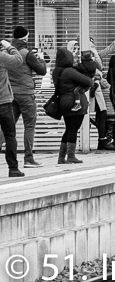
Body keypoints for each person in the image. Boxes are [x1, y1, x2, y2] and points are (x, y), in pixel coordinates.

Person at [7, 26, 47, 167]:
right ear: (25, 38)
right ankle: (28, 158)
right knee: (29, 126)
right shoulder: (27, 53)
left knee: (8, 126)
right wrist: (41, 59)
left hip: (11, 94)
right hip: (26, 94)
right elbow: (42, 71)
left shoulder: (8, 52)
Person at [52, 47, 92, 164]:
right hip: (74, 103)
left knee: (68, 129)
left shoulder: (56, 71)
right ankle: (71, 156)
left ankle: (61, 157)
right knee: (73, 129)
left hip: (63, 102)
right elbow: (88, 81)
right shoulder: (69, 71)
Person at [0, 38, 24, 177]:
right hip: (4, 102)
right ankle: (13, 168)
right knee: (10, 135)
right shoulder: (2, 56)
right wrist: (9, 46)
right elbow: (18, 60)